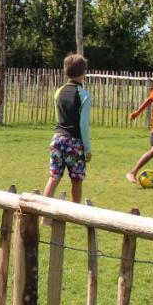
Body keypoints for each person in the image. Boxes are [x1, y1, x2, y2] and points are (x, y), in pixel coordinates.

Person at [43, 53, 92, 204]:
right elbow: (83, 125)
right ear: (84, 72)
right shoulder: (84, 95)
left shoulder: (58, 92)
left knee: (54, 177)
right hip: (74, 143)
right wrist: (87, 149)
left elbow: (59, 118)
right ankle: (74, 214)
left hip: (57, 139)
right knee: (76, 180)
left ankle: (43, 214)